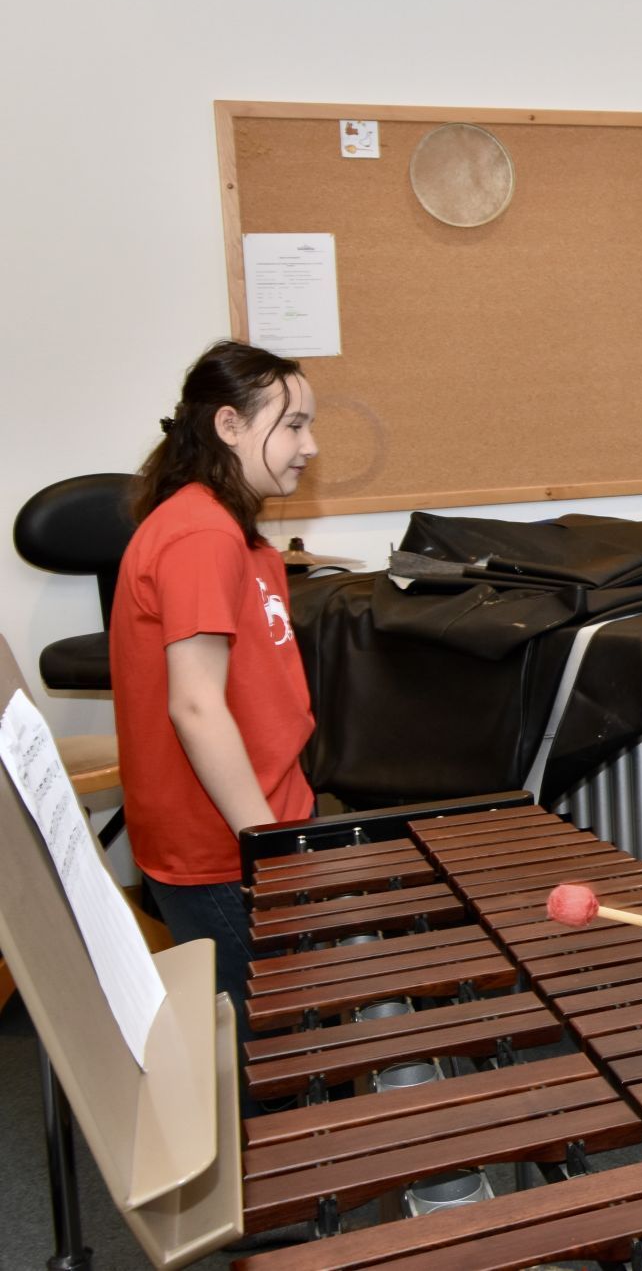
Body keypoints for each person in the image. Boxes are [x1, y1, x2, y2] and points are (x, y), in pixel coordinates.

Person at [110, 340, 319, 1075]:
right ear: (229, 425)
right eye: (291, 425)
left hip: (254, 826)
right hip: (222, 848)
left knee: (282, 1033)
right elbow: (196, 705)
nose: (309, 445)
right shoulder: (198, 532)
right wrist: (263, 843)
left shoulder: (232, 530)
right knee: (265, 1056)